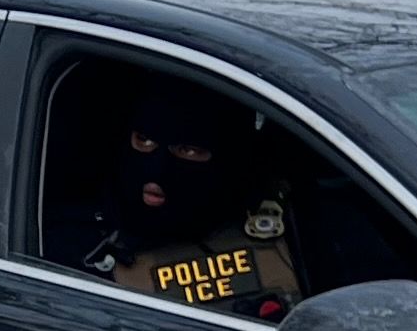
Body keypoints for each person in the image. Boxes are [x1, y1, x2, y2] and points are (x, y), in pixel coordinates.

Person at [66, 77, 303, 318]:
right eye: (144, 142)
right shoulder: (76, 247)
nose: (157, 170)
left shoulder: (294, 230)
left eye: (188, 151)